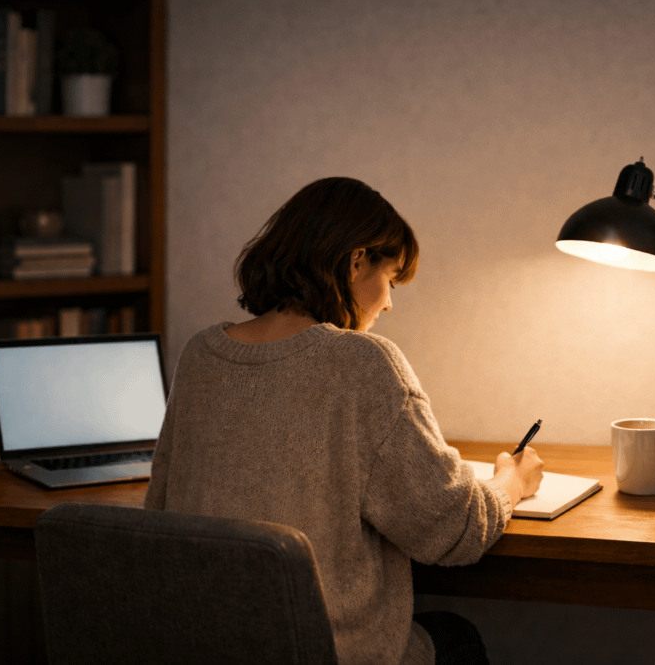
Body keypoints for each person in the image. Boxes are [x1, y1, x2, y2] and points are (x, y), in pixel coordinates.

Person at [144, 177, 544, 665]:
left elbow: (158, 510)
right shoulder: (363, 364)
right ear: (357, 260)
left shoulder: (201, 356)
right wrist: (510, 483)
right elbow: (453, 528)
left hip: (203, 648)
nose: (390, 302)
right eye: (391, 279)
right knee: (456, 634)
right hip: (324, 653)